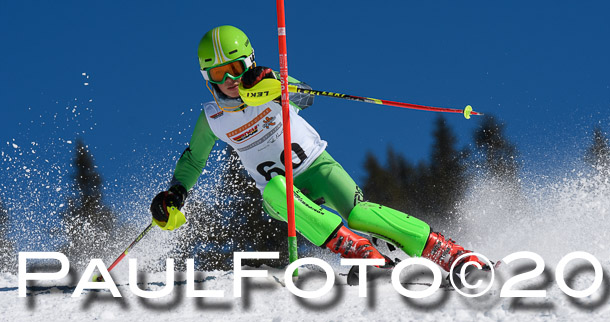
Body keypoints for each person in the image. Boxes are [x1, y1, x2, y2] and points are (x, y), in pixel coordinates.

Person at [150, 25, 486, 279]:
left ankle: (447, 253)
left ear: (249, 63)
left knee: (361, 215)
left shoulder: (269, 86)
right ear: (207, 79)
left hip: (319, 167)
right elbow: (194, 159)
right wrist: (176, 192)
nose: (230, 80)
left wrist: (277, 85)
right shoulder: (213, 118)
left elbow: (307, 96)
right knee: (276, 187)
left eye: (236, 68)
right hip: (282, 196)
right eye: (219, 74)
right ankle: (359, 251)